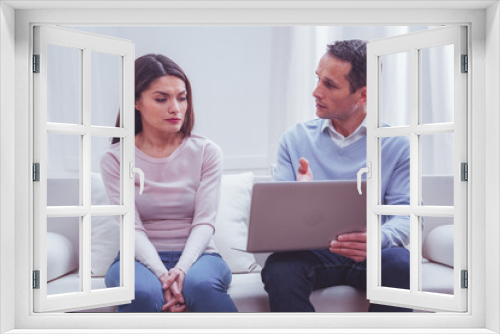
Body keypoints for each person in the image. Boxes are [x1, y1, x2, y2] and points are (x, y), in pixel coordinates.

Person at [261, 40, 412, 312]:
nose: (315, 92)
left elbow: (407, 215)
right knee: (280, 269)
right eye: (318, 79)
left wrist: (376, 238)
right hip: (314, 253)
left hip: (374, 252)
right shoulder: (295, 139)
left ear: (363, 95)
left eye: (329, 85)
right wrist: (298, 196)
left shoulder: (396, 144)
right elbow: (277, 223)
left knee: (401, 265)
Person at [100, 54, 237, 313]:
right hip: (136, 259)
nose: (175, 108)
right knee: (141, 291)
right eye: (161, 99)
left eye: (182, 98)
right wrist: (163, 276)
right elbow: (131, 228)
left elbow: (205, 221)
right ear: (136, 102)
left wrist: (181, 270)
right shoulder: (115, 158)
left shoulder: (207, 151)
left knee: (201, 286)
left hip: (200, 257)